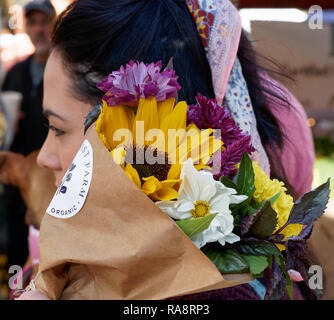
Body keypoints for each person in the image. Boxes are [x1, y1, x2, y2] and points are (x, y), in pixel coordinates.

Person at [23, 0, 314, 299]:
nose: (44, 158)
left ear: (142, 137)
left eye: (58, 129)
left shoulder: (222, 292)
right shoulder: (62, 268)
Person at [1, 0, 56, 270]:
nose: (39, 29)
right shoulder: (15, 73)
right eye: (33, 23)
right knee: (17, 258)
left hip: (51, 182)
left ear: (54, 25)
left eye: (44, 22)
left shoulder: (64, 69)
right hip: (18, 184)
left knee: (45, 261)